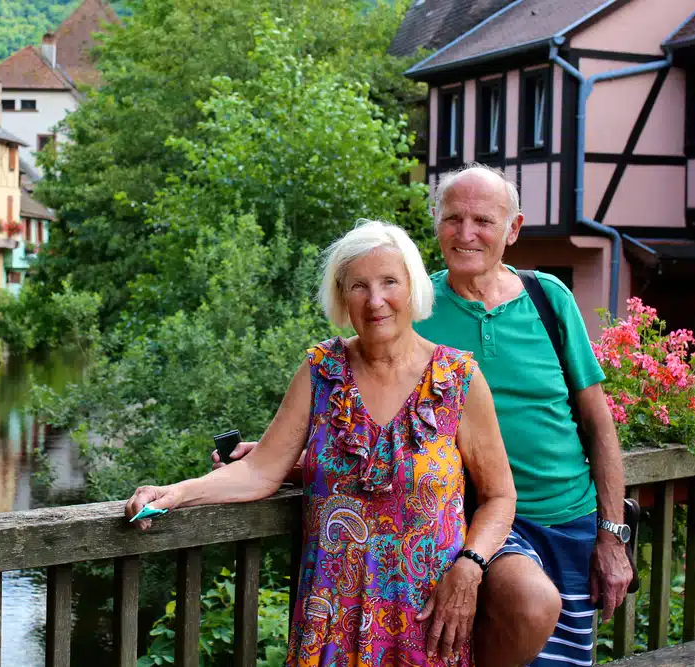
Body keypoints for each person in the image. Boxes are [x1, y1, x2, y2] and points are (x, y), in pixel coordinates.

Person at [217, 164, 634, 667]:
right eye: (452, 218)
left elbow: (598, 425)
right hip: (480, 521)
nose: (465, 233)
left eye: (482, 219)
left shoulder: (550, 299)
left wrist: (612, 534)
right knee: (519, 611)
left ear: (514, 229)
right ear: (435, 224)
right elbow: (371, 408)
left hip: (569, 517)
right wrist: (281, 459)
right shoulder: (411, 304)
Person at [127, 221, 517, 666]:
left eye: (390, 281)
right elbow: (259, 470)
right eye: (358, 286)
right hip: (330, 619)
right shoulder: (322, 370)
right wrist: (173, 494)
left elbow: (500, 495)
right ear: (341, 295)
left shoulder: (458, 379)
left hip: (427, 619)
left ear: (412, 287)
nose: (375, 301)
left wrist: (470, 566)